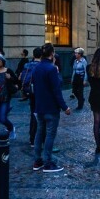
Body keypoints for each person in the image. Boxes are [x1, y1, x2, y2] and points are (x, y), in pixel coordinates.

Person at [32, 43, 72, 172]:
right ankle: (48, 162)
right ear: (52, 54)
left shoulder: (36, 67)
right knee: (50, 135)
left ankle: (37, 161)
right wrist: (65, 107)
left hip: (39, 106)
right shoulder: (52, 69)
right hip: (51, 107)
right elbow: (56, 90)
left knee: (39, 134)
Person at [23, 47, 43, 146]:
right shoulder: (42, 66)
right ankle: (38, 138)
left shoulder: (27, 65)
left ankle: (31, 138)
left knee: (33, 114)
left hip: (30, 92)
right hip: (40, 93)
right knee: (40, 115)